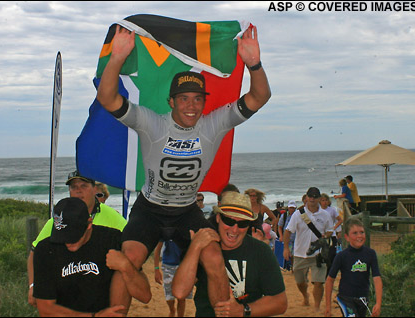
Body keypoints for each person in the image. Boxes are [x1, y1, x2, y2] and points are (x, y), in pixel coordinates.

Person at [96, 23, 271, 315]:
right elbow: (108, 99)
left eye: (197, 99)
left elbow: (259, 97)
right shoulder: (153, 122)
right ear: (171, 101)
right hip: (149, 209)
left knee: (214, 258)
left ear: (204, 102)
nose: (191, 106)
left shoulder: (214, 123)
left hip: (186, 210)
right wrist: (116, 59)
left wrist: (254, 64)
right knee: (128, 258)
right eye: (184, 99)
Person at [172, 191, 287, 317]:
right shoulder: (205, 248)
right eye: (228, 220)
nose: (234, 229)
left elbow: (280, 302)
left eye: (242, 223)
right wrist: (195, 247)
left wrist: (243, 311)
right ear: (218, 218)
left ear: (248, 225)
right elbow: (180, 292)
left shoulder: (260, 251)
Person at [27, 170, 127, 307]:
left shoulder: (112, 216)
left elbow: (130, 248)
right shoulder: (60, 219)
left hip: (103, 297)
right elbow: (35, 252)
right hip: (67, 295)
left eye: (83, 186)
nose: (78, 191)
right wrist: (33, 285)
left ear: (95, 189)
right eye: (74, 187)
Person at [283, 187, 334, 312]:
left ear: (319, 199)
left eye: (315, 196)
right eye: (310, 196)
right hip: (300, 253)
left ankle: (316, 307)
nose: (312, 198)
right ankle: (305, 296)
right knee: (300, 281)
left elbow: (330, 230)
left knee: (318, 282)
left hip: (318, 253)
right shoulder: (298, 214)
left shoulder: (325, 215)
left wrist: (324, 237)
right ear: (306, 197)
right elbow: (288, 231)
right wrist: (286, 248)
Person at [325, 217, 382, 317]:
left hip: (363, 298)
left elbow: (376, 278)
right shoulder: (341, 256)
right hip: (345, 298)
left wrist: (378, 303)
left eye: (362, 232)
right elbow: (330, 280)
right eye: (355, 233)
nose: (359, 236)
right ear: (346, 237)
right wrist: (328, 306)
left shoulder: (370, 254)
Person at [154, 240, 193, 317]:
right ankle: (172, 310)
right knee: (169, 296)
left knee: (181, 297)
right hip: (168, 266)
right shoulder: (167, 230)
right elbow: (157, 249)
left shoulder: (186, 230)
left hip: (183, 265)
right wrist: (156, 269)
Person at [320, 193, 343, 275]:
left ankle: (329, 273)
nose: (324, 202)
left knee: (331, 254)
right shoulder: (318, 210)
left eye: (326, 200)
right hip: (322, 235)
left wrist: (334, 227)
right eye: (322, 200)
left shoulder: (332, 210)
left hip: (331, 235)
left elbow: (340, 220)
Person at [278, 199, 297, 270]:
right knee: (288, 254)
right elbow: (279, 226)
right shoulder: (284, 216)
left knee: (294, 254)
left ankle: (293, 267)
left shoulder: (297, 215)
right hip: (287, 238)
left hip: (296, 238)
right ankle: (290, 267)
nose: (291, 209)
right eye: (290, 207)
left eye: (293, 208)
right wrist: (281, 236)